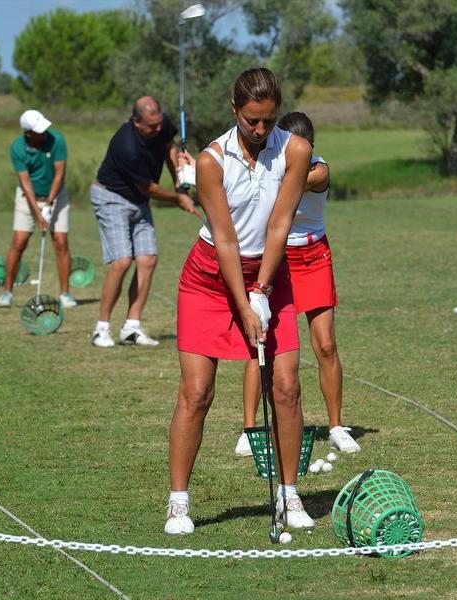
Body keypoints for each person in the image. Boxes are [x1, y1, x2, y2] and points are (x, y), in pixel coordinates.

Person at [165, 68, 314, 535]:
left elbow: (279, 225)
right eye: (251, 120)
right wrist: (245, 302)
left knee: (286, 387)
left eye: (268, 121)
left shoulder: (295, 150)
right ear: (235, 110)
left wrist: (263, 292)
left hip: (270, 275)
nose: (259, 130)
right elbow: (226, 240)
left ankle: (290, 497)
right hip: (210, 279)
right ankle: (179, 503)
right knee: (197, 393)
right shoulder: (212, 160)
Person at [234, 112, 360, 458]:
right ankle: (250, 429)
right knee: (260, 341)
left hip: (314, 257)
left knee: (326, 344)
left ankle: (335, 426)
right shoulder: (269, 166)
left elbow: (294, 182)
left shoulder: (319, 171)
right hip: (277, 259)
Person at [90, 96, 199, 348]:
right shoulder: (126, 144)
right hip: (112, 197)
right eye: (152, 126)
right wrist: (177, 198)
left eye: (160, 123)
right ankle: (101, 329)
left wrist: (180, 183)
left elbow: (169, 147)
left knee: (148, 259)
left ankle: (131, 327)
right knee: (122, 261)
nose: (158, 129)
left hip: (138, 200)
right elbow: (148, 188)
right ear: (136, 122)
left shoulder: (159, 126)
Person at [0, 109, 76, 308]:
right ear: (28, 133)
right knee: (19, 242)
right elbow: (25, 183)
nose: (45, 132)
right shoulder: (17, 148)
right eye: (39, 130)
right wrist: (37, 212)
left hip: (57, 195)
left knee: (60, 242)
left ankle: (65, 294)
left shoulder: (57, 140)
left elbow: (60, 174)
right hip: (28, 198)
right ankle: (7, 292)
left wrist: (49, 204)